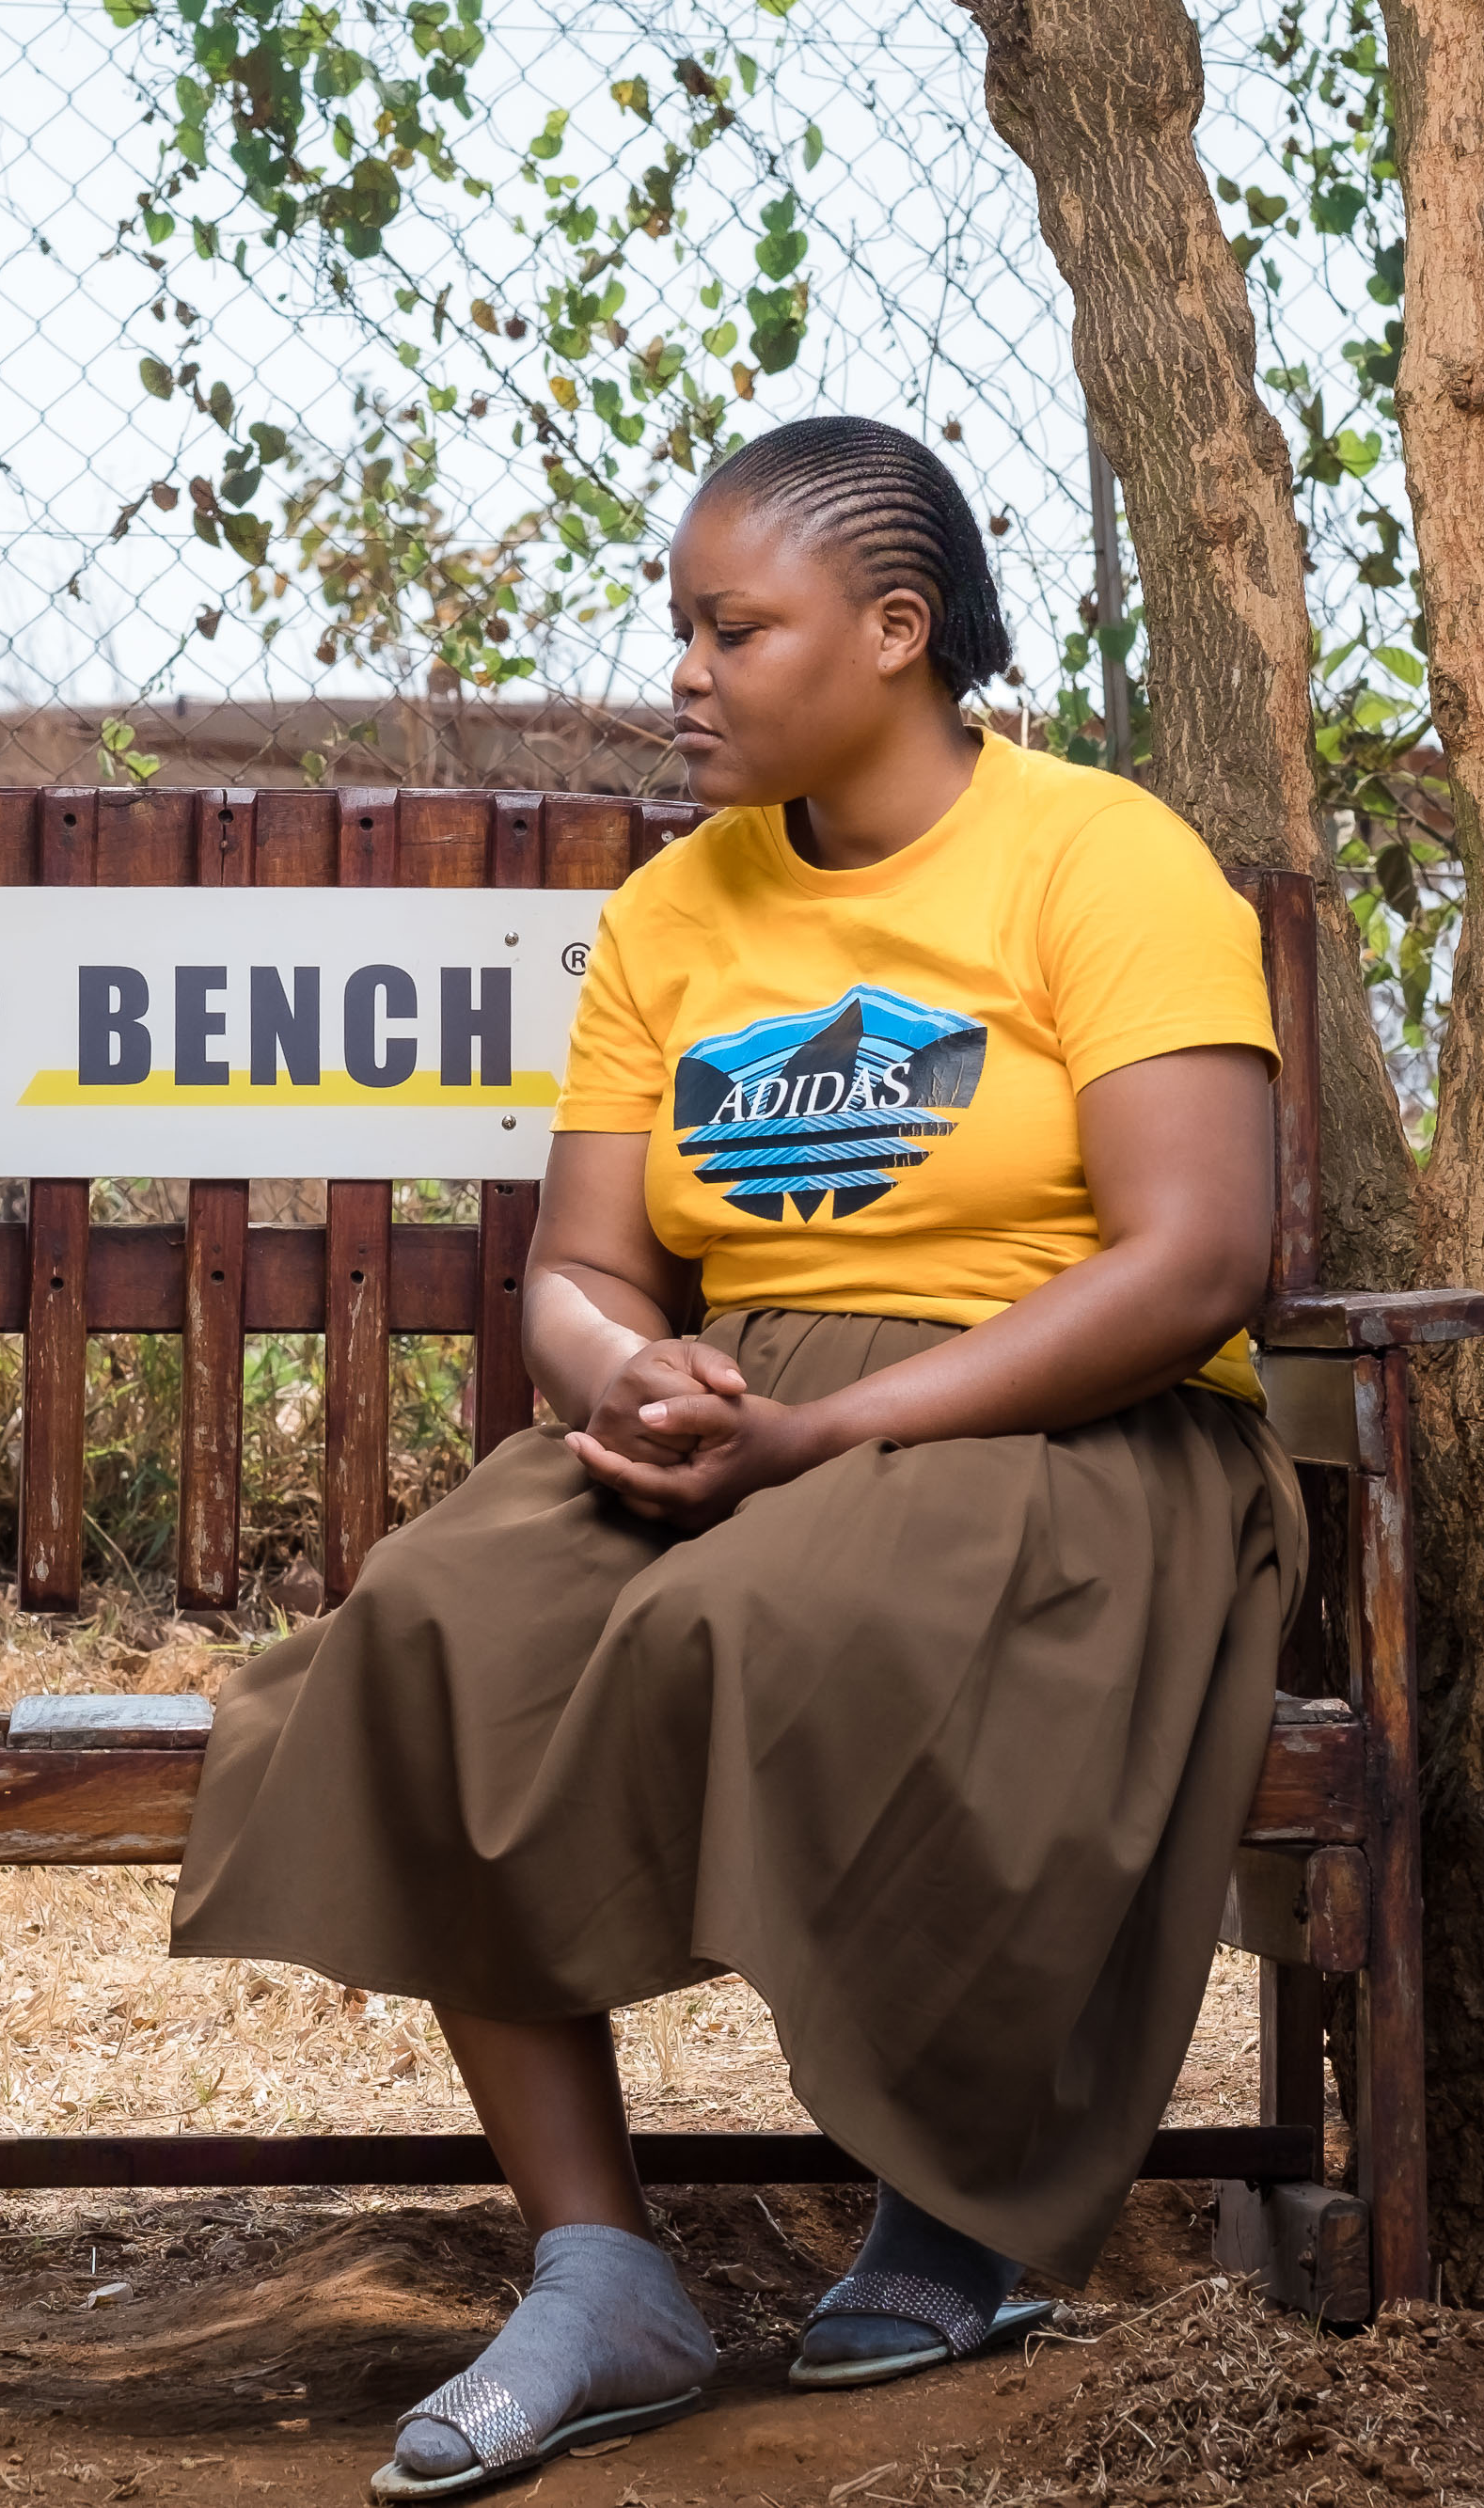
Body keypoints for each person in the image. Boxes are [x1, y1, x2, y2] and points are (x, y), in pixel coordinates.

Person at [171, 416, 1302, 2500]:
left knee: (765, 1617)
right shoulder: (673, 908)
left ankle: (951, 2190)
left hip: (1059, 1415)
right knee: (432, 1624)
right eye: (680, 627)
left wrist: (821, 1432)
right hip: (747, 1403)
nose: (682, 674)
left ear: (895, 632)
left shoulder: (1099, 856)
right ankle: (600, 2267)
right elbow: (580, 1267)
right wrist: (626, 1376)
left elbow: (1194, 1256)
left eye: (732, 628)